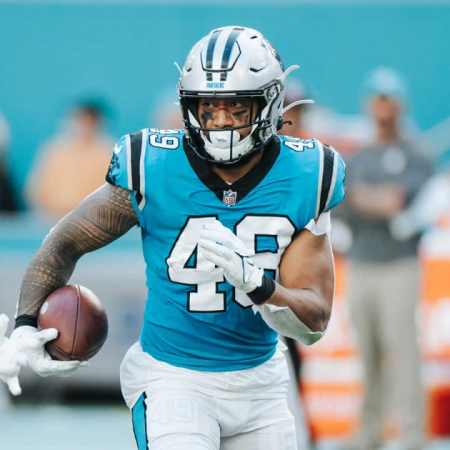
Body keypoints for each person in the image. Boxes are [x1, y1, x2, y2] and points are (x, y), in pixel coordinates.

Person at [0, 26, 345, 450]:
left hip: (262, 384)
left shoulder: (306, 174)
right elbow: (63, 242)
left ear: (269, 103)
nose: (221, 122)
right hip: (173, 378)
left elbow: (313, 323)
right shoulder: (154, 165)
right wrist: (25, 324)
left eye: (237, 108)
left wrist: (258, 285)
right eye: (209, 108)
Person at [345, 67, 431, 450]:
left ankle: (412, 431)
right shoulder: (359, 155)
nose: (383, 107)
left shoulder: (414, 154)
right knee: (367, 351)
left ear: (400, 105)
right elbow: (347, 202)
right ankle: (370, 429)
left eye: (389, 99)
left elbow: (399, 200)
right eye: (378, 99)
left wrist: (372, 199)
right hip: (362, 263)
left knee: (402, 348)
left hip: (399, 265)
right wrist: (378, 200)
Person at [27, 100, 113, 218]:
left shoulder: (109, 152)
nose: (85, 127)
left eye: (90, 122)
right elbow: (35, 191)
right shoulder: (54, 150)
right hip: (51, 219)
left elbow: (112, 196)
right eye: (81, 120)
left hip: (94, 220)